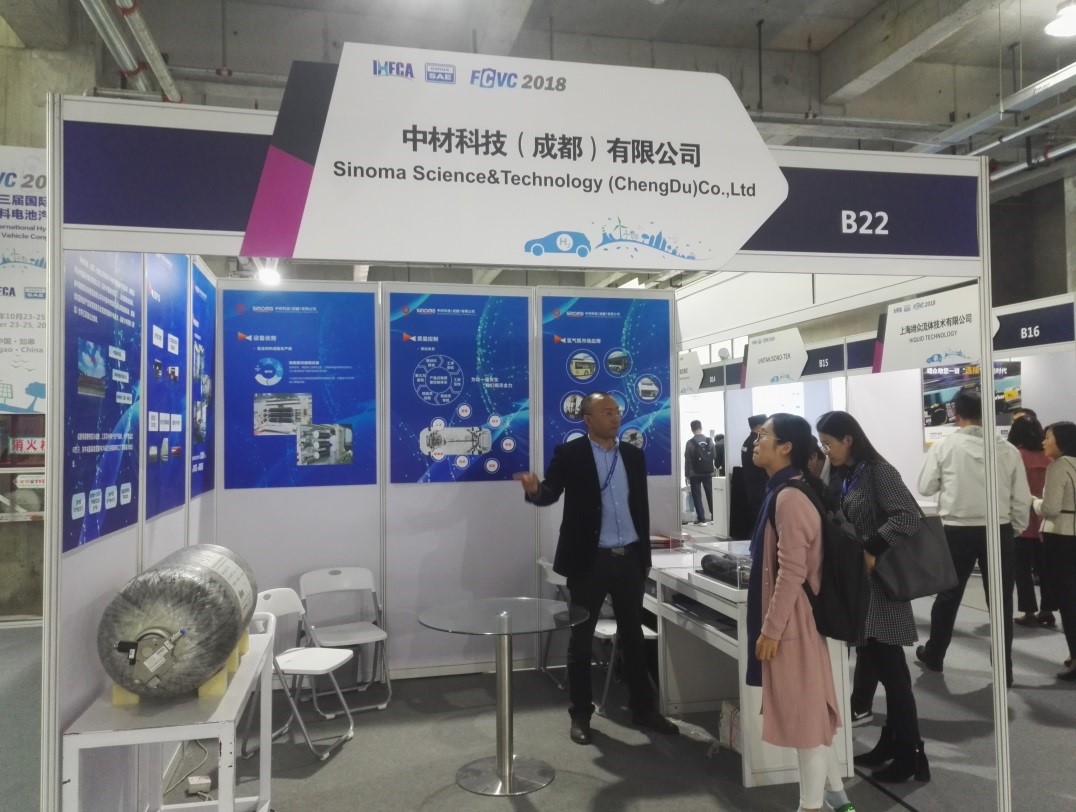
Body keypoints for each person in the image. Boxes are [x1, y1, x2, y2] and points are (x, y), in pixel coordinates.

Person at [516, 392, 678, 744]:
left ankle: (643, 708)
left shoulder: (633, 455)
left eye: (616, 411)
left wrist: (644, 558)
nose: (615, 417)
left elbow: (640, 507)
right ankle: (580, 714)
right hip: (589, 561)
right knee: (581, 640)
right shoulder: (570, 454)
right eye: (606, 412)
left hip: (629, 558)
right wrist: (534, 489)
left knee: (633, 637)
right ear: (588, 419)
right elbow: (550, 493)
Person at [816, 410, 929, 784]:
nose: (825, 450)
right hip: (861, 586)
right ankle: (893, 743)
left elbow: (907, 517)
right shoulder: (844, 473)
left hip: (882, 586)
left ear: (848, 440)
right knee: (882, 667)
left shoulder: (879, 471)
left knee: (893, 673)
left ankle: (912, 754)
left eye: (829, 443)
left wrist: (870, 548)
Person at [748, 414, 855, 812]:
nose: (756, 441)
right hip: (797, 622)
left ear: (786, 447)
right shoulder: (786, 490)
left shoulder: (789, 498)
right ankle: (838, 799)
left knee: (806, 725)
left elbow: (791, 571)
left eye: (764, 435)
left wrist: (771, 630)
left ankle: (810, 807)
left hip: (794, 624)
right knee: (810, 717)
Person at [916, 389, 1032, 688]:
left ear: (956, 414)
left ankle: (934, 655)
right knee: (1001, 601)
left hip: (956, 529)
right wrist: (1014, 528)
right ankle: (1003, 670)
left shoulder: (945, 447)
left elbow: (926, 487)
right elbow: (1021, 497)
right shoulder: (1007, 449)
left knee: (948, 596)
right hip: (998, 528)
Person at [1035, 421, 1076, 681]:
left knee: (1067, 601)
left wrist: (1032, 502)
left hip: (1060, 537)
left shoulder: (1058, 466)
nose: (1043, 442)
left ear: (1061, 440)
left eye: (1048, 437)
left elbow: (1050, 508)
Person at [1007, 416, 1056, 628]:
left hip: (1022, 520)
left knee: (1022, 570)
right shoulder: (1049, 457)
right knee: (1046, 569)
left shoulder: (1015, 455)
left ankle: (1029, 612)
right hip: (1046, 520)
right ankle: (1048, 610)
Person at [684, 420, 716, 524]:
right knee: (710, 494)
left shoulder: (690, 443)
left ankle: (702, 520)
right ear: (701, 428)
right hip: (708, 472)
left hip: (694, 473)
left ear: (691, 429)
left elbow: (687, 459)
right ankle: (714, 517)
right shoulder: (709, 441)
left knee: (697, 496)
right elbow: (714, 456)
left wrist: (687, 475)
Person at [740, 414, 769, 521]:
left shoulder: (747, 441)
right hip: (760, 488)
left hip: (753, 488)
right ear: (759, 427)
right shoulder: (756, 443)